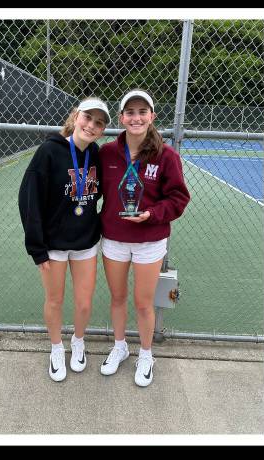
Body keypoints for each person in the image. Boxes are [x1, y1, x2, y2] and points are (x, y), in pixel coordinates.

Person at [96, 89, 190, 387]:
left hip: (150, 240)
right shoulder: (107, 152)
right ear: (122, 117)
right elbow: (94, 192)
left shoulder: (167, 156)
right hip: (114, 238)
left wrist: (152, 214)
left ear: (152, 116)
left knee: (143, 302)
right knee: (118, 297)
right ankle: (120, 346)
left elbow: (178, 198)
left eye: (142, 112)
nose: (136, 118)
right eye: (130, 112)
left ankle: (146, 354)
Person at [18, 97, 109, 382]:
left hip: (85, 242)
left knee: (84, 303)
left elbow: (102, 191)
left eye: (99, 123)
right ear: (75, 117)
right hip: (53, 245)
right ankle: (56, 348)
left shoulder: (96, 154)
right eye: (87, 118)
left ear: (102, 129)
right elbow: (28, 199)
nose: (91, 126)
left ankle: (78, 341)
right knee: (54, 300)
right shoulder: (48, 151)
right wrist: (37, 248)